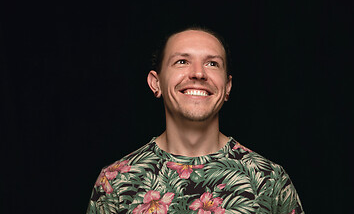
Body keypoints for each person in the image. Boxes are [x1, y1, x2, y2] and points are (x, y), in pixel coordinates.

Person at [86, 27, 304, 214]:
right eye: (182, 61)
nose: (198, 73)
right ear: (156, 83)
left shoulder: (269, 180)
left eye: (212, 64)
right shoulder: (115, 182)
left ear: (227, 87)